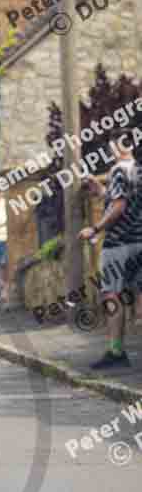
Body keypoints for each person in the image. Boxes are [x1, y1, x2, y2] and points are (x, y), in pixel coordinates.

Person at [79, 128, 142, 368]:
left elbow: (119, 207)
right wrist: (101, 191)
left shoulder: (117, 170)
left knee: (111, 296)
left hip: (119, 243)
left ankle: (116, 352)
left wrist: (94, 229)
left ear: (116, 146)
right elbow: (125, 199)